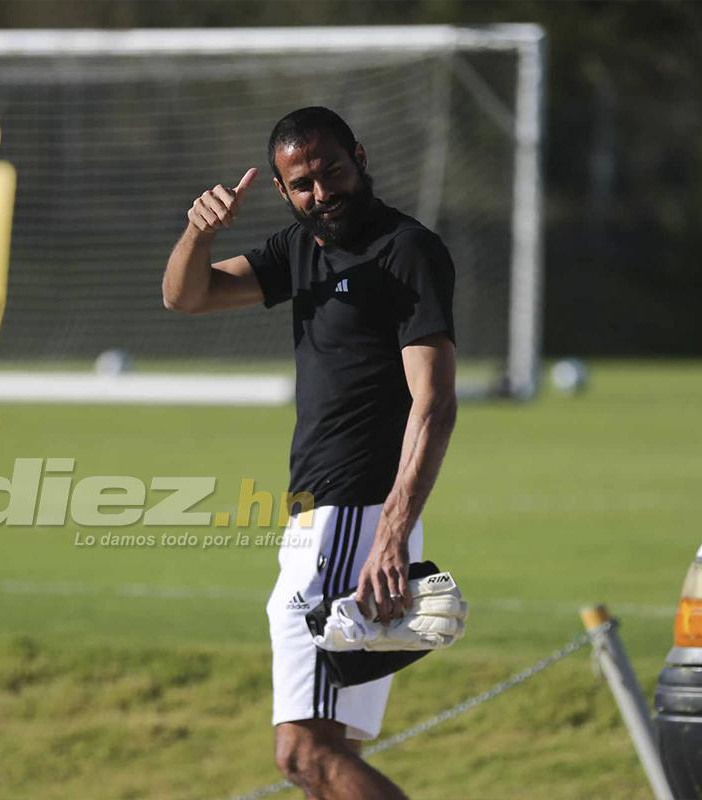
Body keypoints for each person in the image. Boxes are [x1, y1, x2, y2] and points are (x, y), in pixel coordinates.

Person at [161, 107, 458, 800]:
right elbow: (186, 295)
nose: (321, 193)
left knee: (303, 754)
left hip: (355, 520)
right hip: (321, 521)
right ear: (280, 187)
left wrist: (388, 534)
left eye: (331, 172)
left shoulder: (405, 250)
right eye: (303, 184)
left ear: (358, 156)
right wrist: (197, 232)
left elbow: (435, 402)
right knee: (324, 757)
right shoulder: (299, 250)